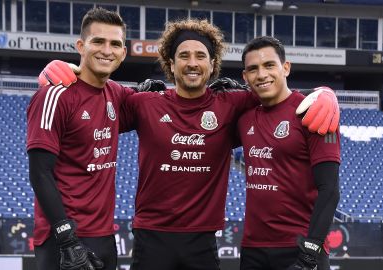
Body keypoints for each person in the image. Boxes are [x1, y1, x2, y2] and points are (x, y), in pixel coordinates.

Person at [39, 19, 340, 270]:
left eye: (200, 56)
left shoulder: (235, 104)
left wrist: (325, 93)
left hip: (203, 242)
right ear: (171, 63)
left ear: (213, 64)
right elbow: (96, 91)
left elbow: (278, 93)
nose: (192, 63)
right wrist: (65, 70)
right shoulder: (143, 103)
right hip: (150, 239)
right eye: (184, 56)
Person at [27, 8, 134, 270]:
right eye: (98, 41)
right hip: (63, 240)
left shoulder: (116, 93)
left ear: (123, 53)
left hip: (105, 236)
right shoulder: (55, 95)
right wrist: (66, 238)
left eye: (115, 44)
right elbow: (40, 173)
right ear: (80, 45)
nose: (107, 50)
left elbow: (153, 102)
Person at [237, 36, 341, 270]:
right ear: (245, 77)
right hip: (253, 251)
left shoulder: (314, 111)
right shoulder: (244, 117)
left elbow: (330, 190)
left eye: (269, 65)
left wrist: (310, 253)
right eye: (253, 69)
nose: (261, 74)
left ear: (286, 68)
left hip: (299, 250)